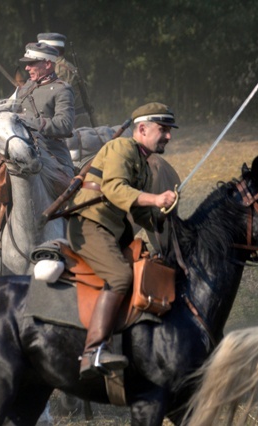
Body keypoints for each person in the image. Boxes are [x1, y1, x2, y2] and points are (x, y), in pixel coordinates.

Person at [66, 102, 178, 379]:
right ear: (142, 128)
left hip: (111, 229)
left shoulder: (141, 161)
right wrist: (157, 198)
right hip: (91, 224)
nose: (168, 136)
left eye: (169, 131)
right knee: (119, 277)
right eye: (163, 130)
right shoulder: (122, 149)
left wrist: (160, 216)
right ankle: (92, 353)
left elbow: (138, 210)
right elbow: (116, 189)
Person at [0, 42, 75, 277]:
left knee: (72, 194)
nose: (28, 68)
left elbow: (64, 125)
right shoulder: (25, 89)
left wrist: (28, 123)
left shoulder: (62, 90)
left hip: (52, 156)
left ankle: (77, 250)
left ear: (47, 64)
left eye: (32, 63)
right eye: (28, 64)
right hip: (23, 153)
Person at [37, 32, 94, 128]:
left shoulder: (60, 70)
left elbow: (53, 98)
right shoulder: (62, 66)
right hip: (73, 120)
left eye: (43, 50)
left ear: (52, 51)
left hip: (74, 124)